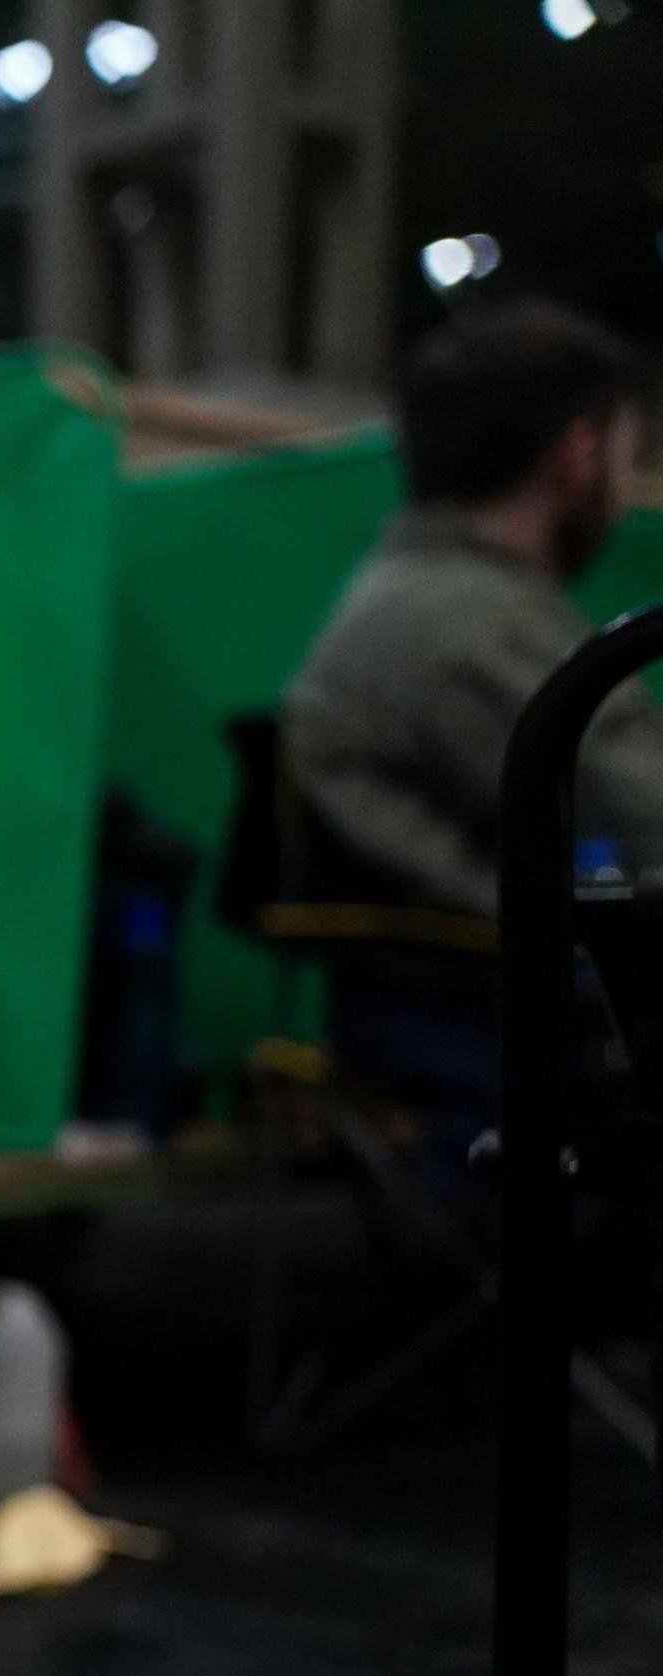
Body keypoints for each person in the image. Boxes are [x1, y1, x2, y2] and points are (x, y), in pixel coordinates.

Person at [283, 299, 657, 1144]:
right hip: (491, 1045)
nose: (629, 496)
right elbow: (650, 816)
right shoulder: (468, 625)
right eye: (629, 459)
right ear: (579, 454)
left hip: (454, 1025)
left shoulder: (434, 597)